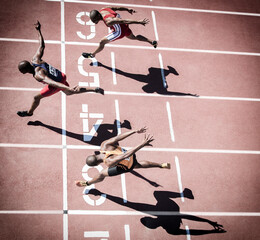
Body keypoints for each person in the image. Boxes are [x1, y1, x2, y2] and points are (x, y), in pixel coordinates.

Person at [17, 21, 104, 117]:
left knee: (36, 98)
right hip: (61, 75)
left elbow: (52, 83)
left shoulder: (38, 75)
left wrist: (66, 87)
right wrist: (39, 30)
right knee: (69, 92)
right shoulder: (35, 59)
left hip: (58, 82)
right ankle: (94, 89)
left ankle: (30, 113)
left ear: (25, 72)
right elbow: (41, 46)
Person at [76, 127, 170, 187]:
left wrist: (142, 144)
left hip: (128, 160)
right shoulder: (104, 145)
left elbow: (125, 155)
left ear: (97, 164)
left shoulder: (108, 161)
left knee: (101, 174)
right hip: (130, 154)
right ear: (95, 155)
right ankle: (161, 165)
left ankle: (87, 183)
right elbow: (118, 137)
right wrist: (134, 131)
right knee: (137, 164)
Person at [82, 7, 158, 59]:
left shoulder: (108, 21)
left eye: (96, 20)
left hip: (119, 32)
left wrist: (139, 22)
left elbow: (123, 20)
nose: (95, 22)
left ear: (98, 16)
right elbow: (117, 8)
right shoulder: (104, 9)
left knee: (102, 42)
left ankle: (92, 55)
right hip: (124, 26)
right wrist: (127, 9)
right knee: (134, 37)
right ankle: (152, 42)